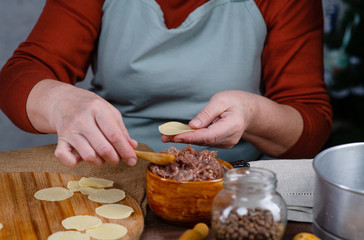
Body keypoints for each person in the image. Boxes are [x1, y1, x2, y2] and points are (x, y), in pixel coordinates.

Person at [0, 0, 332, 167]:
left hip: (232, 176)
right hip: (114, 167)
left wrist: (252, 113)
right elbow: (21, 75)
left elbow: (310, 126)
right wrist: (61, 102)